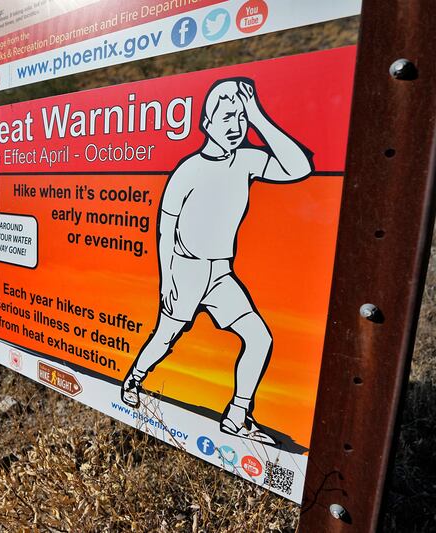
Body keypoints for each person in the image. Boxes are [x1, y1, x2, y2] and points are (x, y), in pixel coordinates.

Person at [119, 78, 313, 445]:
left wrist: (258, 116)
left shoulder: (247, 160)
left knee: (259, 338)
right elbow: (166, 227)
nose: (236, 126)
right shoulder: (189, 170)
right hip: (187, 270)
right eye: (227, 117)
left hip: (221, 274)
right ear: (207, 124)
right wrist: (168, 280)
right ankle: (134, 379)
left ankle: (237, 416)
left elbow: (298, 167)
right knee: (166, 336)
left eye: (240, 117)